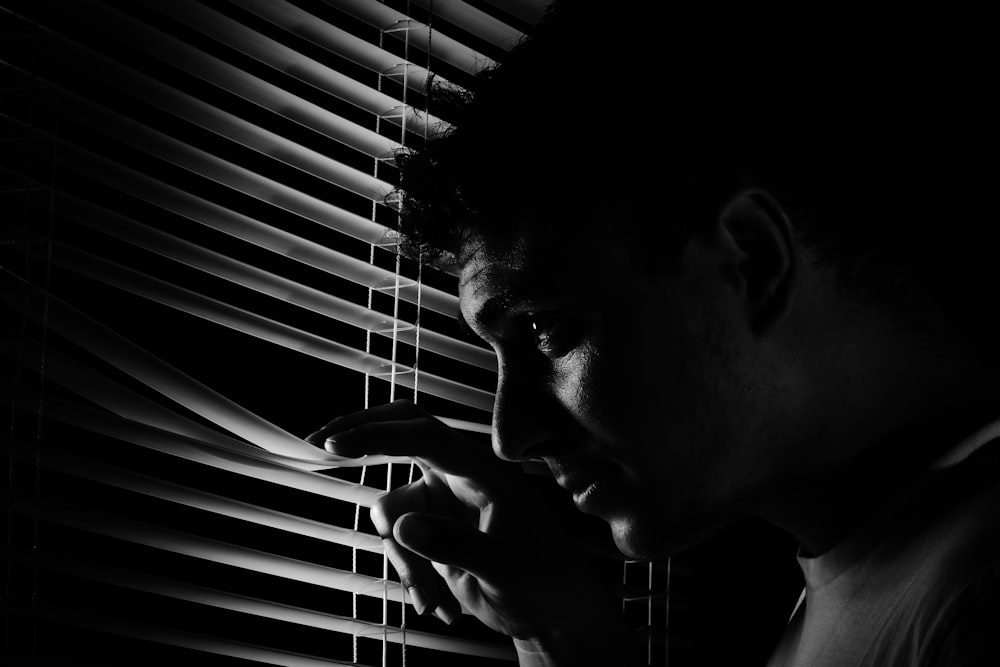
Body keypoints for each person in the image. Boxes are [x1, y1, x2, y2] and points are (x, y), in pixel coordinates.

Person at [308, 2, 1000, 665]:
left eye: (546, 327)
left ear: (750, 263)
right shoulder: (882, 572)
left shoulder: (974, 603)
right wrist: (556, 631)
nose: (509, 436)